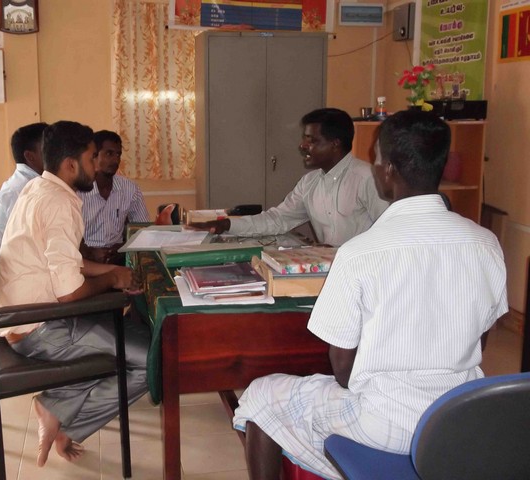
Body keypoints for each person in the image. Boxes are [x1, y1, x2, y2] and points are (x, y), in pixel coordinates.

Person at [232, 110, 508, 479]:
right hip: (457, 415)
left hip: (386, 422)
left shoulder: (360, 252)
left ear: (388, 169)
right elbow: (481, 338)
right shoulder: (486, 243)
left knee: (260, 395)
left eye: (376, 158)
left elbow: (342, 365)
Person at [0, 121, 150, 468]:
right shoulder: (60, 203)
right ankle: (62, 417)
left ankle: (56, 406)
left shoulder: (38, 188)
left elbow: (65, 262)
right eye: (92, 157)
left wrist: (111, 274)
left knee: (121, 346)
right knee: (153, 360)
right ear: (70, 164)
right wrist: (111, 280)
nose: (98, 165)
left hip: (25, 320)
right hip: (43, 328)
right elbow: (69, 293)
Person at [191, 108, 389, 247]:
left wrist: (343, 253)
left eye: (312, 140)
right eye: (304, 139)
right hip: (326, 268)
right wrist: (227, 224)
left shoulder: (368, 179)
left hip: (363, 273)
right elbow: (278, 219)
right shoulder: (309, 182)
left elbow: (390, 232)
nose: (303, 146)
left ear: (335, 144)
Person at [78, 130, 150, 265]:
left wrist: (123, 247)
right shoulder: (78, 190)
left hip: (118, 257)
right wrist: (90, 252)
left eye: (118, 154)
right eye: (109, 154)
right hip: (84, 259)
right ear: (94, 156)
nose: (115, 160)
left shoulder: (130, 189)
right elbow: (67, 237)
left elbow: (142, 229)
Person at [0, 122, 48, 263]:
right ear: (30, 156)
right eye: (49, 149)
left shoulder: (31, 183)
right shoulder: (21, 191)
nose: (56, 154)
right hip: (13, 271)